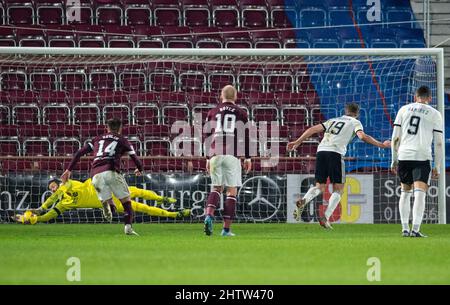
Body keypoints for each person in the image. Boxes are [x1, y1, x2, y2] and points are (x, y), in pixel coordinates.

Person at [287, 103, 390, 229]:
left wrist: (297, 141)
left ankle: (304, 200)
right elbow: (362, 136)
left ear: (345, 111)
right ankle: (325, 217)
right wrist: (381, 145)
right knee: (339, 189)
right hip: (335, 153)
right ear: (357, 114)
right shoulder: (355, 122)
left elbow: (312, 129)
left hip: (321, 152)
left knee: (319, 186)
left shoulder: (333, 120)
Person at [61, 118, 144, 235]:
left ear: (107, 128)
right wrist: (139, 169)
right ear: (120, 128)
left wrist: (68, 170)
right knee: (126, 202)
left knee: (107, 197)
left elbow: (79, 153)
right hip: (111, 172)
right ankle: (128, 228)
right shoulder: (123, 140)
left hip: (95, 175)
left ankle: (106, 203)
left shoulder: (97, 139)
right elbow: (135, 159)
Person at [14, 178, 189, 224]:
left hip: (110, 190)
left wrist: (41, 207)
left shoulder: (68, 185)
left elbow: (54, 197)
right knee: (142, 208)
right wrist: (32, 218)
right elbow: (50, 215)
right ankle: (175, 214)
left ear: (59, 183)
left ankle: (162, 198)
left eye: (54, 185)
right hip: (112, 203)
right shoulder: (64, 203)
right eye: (51, 187)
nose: (53, 188)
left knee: (138, 191)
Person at [391, 86, 443, 237]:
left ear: (415, 97)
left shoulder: (404, 109)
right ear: (430, 98)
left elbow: (395, 137)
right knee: (420, 194)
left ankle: (404, 229)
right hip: (422, 157)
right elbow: (439, 143)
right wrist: (437, 166)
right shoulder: (435, 114)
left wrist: (394, 159)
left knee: (405, 192)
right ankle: (415, 229)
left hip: (404, 156)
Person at [203, 85, 251, 236]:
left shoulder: (212, 111)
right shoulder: (242, 113)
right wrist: (248, 157)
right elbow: (246, 136)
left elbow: (206, 135)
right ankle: (226, 230)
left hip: (215, 154)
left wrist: (207, 158)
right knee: (231, 192)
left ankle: (209, 215)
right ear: (235, 96)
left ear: (220, 96)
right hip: (232, 154)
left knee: (216, 188)